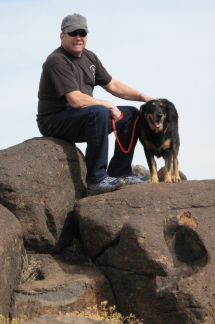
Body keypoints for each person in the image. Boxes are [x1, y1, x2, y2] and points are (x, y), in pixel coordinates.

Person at [37, 13, 155, 195]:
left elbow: (113, 85)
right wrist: (107, 105)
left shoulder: (90, 57)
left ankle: (120, 172)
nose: (78, 38)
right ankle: (96, 179)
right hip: (55, 121)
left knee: (132, 114)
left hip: (84, 117)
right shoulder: (57, 60)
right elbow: (75, 100)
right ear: (62, 35)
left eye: (82, 33)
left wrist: (142, 97)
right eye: (73, 33)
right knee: (98, 111)